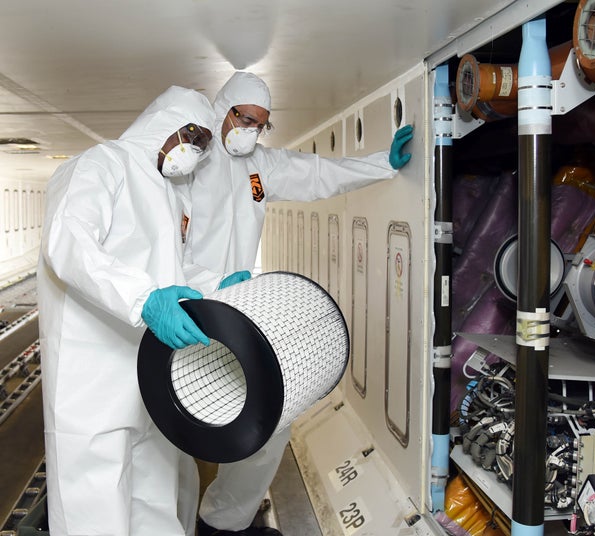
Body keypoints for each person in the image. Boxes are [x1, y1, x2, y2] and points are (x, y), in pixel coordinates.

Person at [187, 71, 414, 536]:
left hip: (235, 310)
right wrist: (204, 281)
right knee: (172, 434)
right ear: (221, 109)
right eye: (244, 118)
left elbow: (318, 175)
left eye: (261, 124)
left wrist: (383, 165)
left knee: (268, 425)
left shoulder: (258, 168)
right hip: (184, 308)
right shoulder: (188, 161)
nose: (251, 129)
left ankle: (222, 523)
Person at [37, 86, 241, 536]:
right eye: (191, 134)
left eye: (205, 142)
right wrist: (142, 300)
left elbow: (173, 270)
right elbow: (68, 243)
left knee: (155, 506)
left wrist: (216, 285)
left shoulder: (170, 192)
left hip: (149, 379)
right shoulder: (99, 165)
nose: (196, 149)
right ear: (161, 122)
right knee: (95, 513)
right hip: (90, 385)